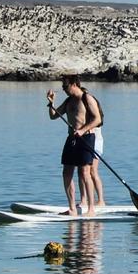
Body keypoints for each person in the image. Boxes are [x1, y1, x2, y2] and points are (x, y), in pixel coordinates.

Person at [47, 75, 101, 216]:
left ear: (74, 84)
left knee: (84, 173)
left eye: (65, 86)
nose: (63, 89)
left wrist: (82, 130)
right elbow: (53, 116)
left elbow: (97, 119)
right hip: (71, 139)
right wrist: (51, 103)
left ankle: (91, 209)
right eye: (63, 87)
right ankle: (72, 208)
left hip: (86, 138)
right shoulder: (69, 100)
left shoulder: (87, 98)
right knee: (66, 173)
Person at [81, 86, 106, 208]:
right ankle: (84, 201)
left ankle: (101, 201)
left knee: (92, 171)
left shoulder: (91, 105)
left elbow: (97, 122)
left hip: (95, 142)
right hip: (86, 141)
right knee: (83, 172)